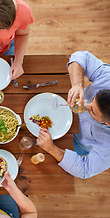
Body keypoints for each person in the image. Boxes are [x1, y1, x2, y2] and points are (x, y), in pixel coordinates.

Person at [37, 51, 110, 179]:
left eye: (92, 111)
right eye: (92, 100)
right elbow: (82, 56)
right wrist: (77, 85)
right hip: (64, 102)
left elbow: (84, 170)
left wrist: (51, 149)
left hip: (75, 141)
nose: (85, 105)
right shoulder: (108, 78)